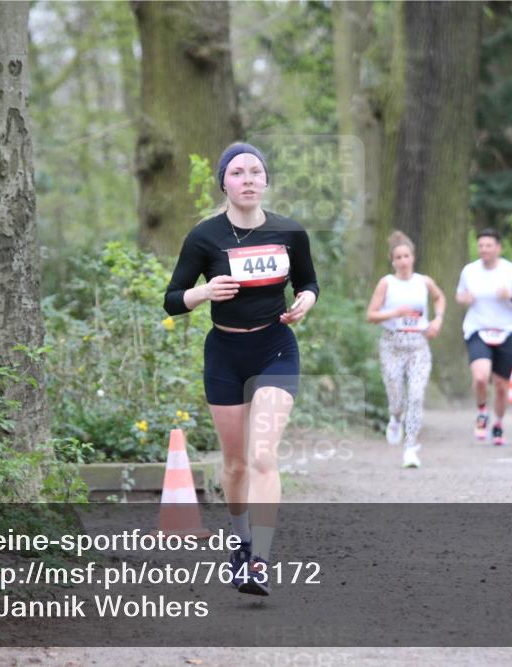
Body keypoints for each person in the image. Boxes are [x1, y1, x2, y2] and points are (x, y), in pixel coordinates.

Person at [163, 142, 318, 596]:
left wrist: (306, 301)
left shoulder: (290, 232)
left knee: (263, 456)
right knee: (234, 466)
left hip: (275, 350)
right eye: (237, 172)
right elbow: (172, 299)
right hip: (225, 355)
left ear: (266, 180)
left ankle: (260, 561)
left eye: (255, 171)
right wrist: (205, 292)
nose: (247, 179)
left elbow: (308, 281)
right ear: (224, 183)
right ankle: (242, 541)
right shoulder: (204, 237)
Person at [365, 231, 446, 468]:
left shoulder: (424, 282)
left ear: (413, 257)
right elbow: (371, 315)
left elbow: (439, 298)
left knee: (417, 395)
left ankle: (411, 447)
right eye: (398, 257)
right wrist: (394, 313)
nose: (403, 261)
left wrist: (438, 320)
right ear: (392, 260)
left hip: (418, 345)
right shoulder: (386, 283)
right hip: (392, 344)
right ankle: (395, 416)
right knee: (397, 396)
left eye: (406, 256)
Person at [455, 229, 512, 446]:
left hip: (506, 331)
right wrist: (465, 298)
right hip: (477, 329)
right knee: (481, 376)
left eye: (488, 245)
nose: (484, 249)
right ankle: (482, 412)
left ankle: (498, 423)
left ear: (498, 248)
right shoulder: (469, 271)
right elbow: (459, 295)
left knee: (501, 385)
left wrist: (511, 296)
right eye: (481, 245)